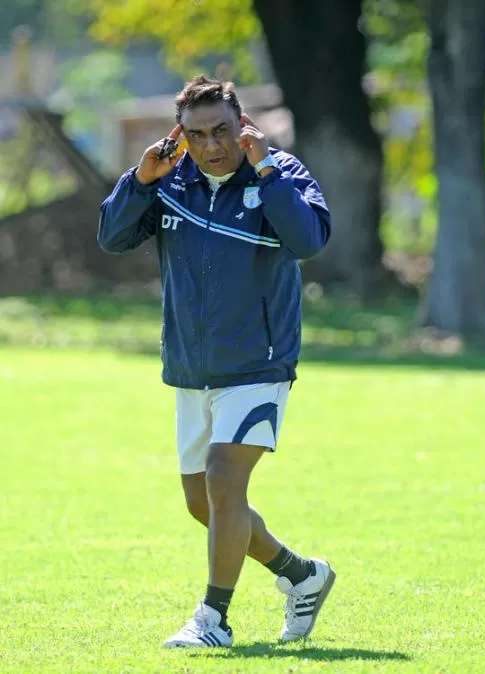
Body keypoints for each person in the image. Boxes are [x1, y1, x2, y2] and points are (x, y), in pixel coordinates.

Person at [98, 75, 335, 648]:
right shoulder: (168, 180)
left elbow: (309, 241)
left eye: (222, 130)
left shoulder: (282, 172)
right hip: (190, 367)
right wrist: (139, 179)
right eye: (197, 134)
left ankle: (215, 619)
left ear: (242, 125)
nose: (211, 145)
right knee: (202, 503)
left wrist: (267, 173)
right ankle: (302, 576)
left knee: (225, 482)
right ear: (182, 135)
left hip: (259, 362)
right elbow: (110, 236)